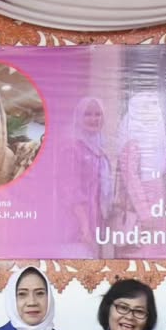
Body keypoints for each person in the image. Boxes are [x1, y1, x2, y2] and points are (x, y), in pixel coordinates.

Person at [65, 97, 116, 243]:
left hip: (99, 219)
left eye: (98, 114)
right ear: (78, 117)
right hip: (78, 224)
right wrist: (84, 226)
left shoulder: (102, 146)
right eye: (87, 114)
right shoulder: (72, 147)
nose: (94, 119)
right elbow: (71, 190)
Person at [116, 92, 166, 223]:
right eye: (145, 107)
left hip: (155, 206)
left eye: (153, 107)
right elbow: (131, 179)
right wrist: (144, 213)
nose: (150, 112)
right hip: (140, 210)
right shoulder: (132, 139)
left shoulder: (154, 139)